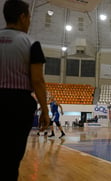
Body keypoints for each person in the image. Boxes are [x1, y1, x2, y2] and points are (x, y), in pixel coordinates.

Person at [0, 0, 50, 180]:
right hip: (17, 104)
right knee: (12, 158)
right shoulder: (31, 42)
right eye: (29, 18)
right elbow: (37, 80)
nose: (29, 22)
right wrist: (45, 111)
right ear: (22, 17)